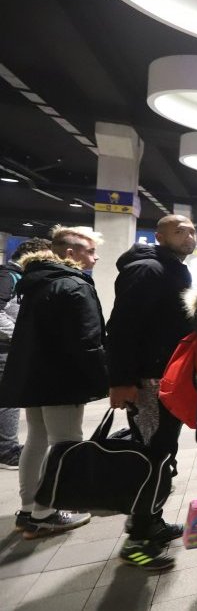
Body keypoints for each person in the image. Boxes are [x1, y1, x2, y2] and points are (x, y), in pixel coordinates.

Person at [0, 226, 107, 538]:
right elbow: (88, 341)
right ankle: (48, 512)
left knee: (37, 438)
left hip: (37, 374)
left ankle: (29, 509)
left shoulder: (36, 280)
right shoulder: (74, 284)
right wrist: (103, 378)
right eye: (90, 251)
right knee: (66, 442)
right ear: (71, 253)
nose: (96, 256)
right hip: (64, 377)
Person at [106, 214, 196, 570]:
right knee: (150, 453)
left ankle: (151, 520)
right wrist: (121, 380)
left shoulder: (170, 268)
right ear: (159, 236)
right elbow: (123, 328)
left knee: (161, 450)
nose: (188, 235)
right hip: (146, 381)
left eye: (190, 230)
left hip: (163, 377)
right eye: (179, 231)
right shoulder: (147, 270)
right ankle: (137, 541)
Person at [0, 237, 51, 470]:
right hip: (4, 350)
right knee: (8, 399)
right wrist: (19, 336)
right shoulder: (9, 276)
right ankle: (7, 450)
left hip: (9, 348)